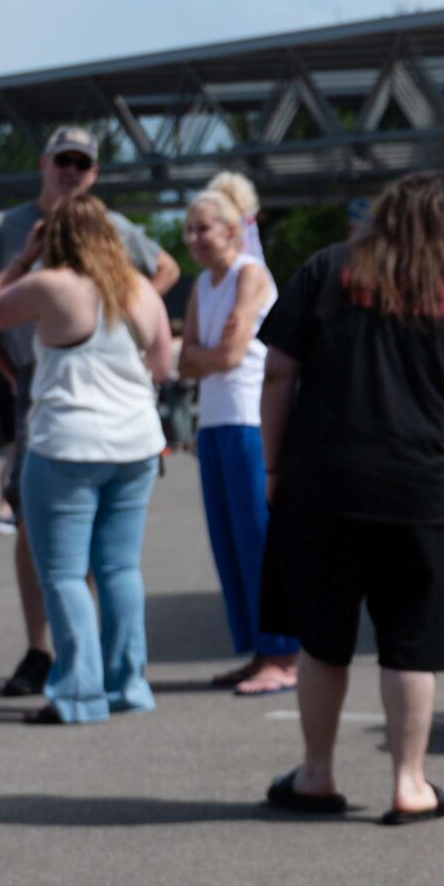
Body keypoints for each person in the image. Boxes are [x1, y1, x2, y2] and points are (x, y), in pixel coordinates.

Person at [260, 172, 444, 823]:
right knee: (411, 644)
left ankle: (317, 773)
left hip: (323, 484)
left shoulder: (327, 267)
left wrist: (272, 465)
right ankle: (409, 782)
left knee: (322, 638)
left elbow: (278, 371)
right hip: (428, 492)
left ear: (384, 214)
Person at [0, 127, 179, 696]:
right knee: (119, 569)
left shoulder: (49, 283)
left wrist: (26, 260)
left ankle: (77, 690)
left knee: (59, 569)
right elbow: (161, 366)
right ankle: (127, 684)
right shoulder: (141, 290)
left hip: (66, 439)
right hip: (134, 440)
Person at [178, 175, 299, 695]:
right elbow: (183, 360)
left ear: (230, 231)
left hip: (250, 420)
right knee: (228, 542)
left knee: (260, 540)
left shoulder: (249, 274)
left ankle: (283, 654)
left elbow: (224, 356)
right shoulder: (202, 285)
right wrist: (203, 357)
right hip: (214, 424)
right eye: (188, 230)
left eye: (202, 229)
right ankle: (257, 649)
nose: (193, 239)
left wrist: (201, 357)